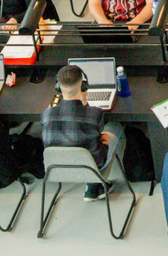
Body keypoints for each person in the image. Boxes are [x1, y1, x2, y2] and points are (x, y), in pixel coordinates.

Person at [41, 65, 126, 201]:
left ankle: (94, 186)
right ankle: (95, 182)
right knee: (115, 127)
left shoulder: (46, 114)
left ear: (58, 87)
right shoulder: (94, 114)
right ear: (83, 86)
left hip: (56, 169)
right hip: (92, 168)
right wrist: (84, 102)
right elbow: (94, 127)